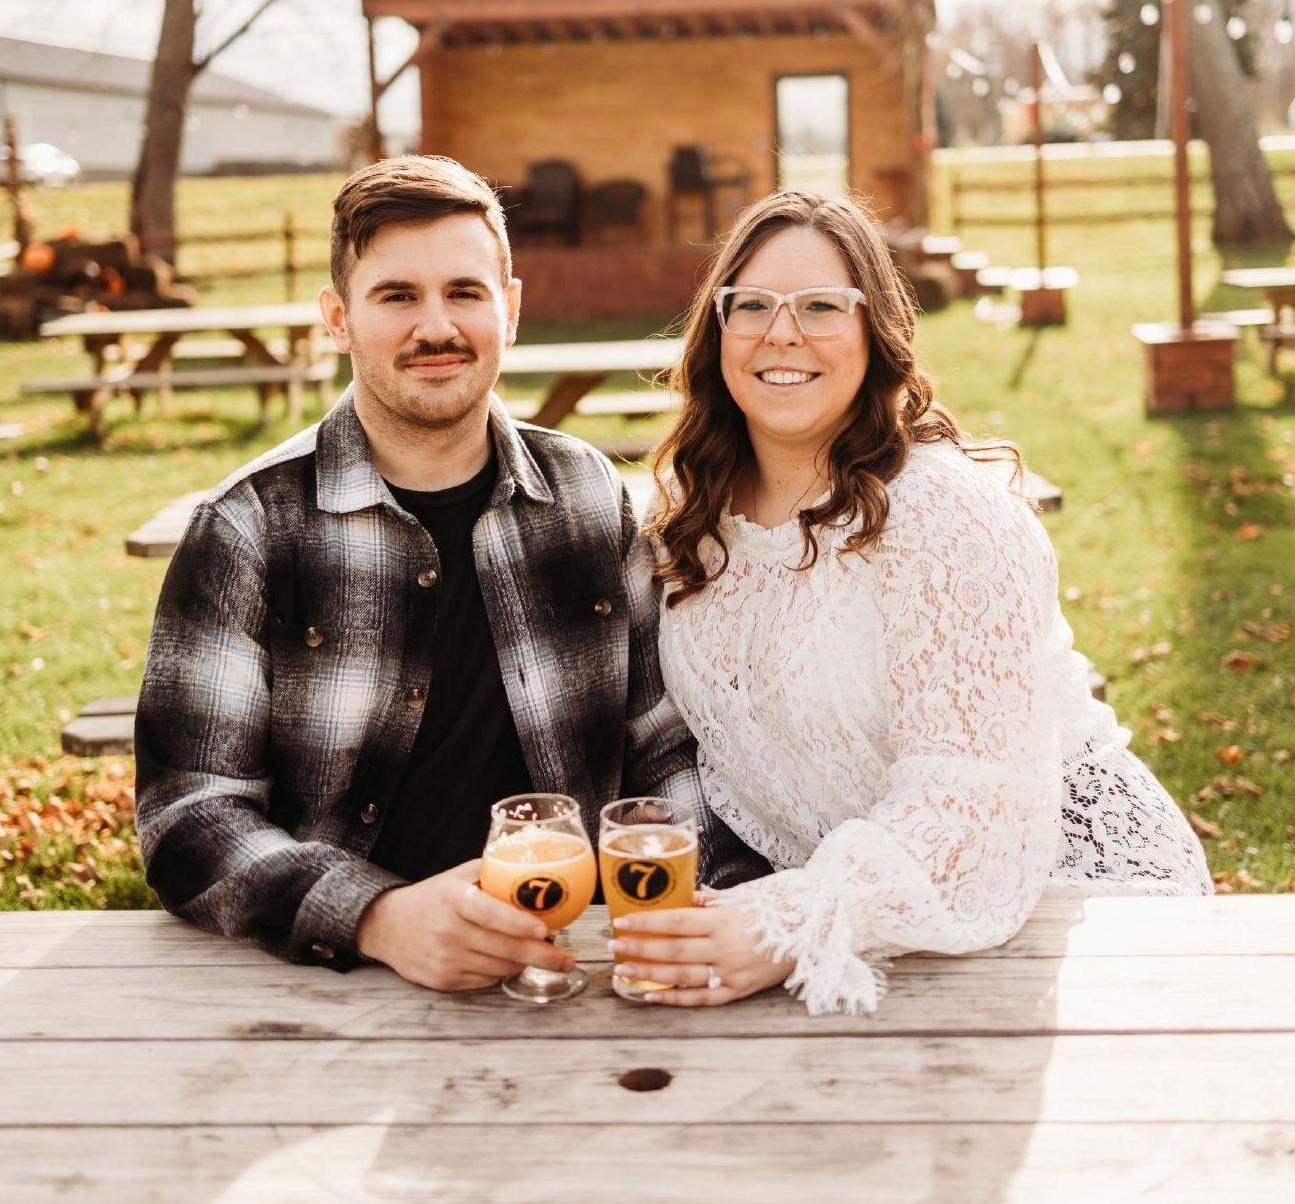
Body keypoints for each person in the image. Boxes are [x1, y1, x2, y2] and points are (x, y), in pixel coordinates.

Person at [134, 154, 765, 992]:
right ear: (338, 318)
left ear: (510, 308)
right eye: (398, 296)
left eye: (464, 292)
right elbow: (187, 816)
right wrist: (376, 916)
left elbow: (658, 746)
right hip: (336, 984)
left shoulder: (586, 494)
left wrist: (703, 906)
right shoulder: (251, 526)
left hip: (574, 967)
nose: (437, 326)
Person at [606, 189, 1212, 1016]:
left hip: (1060, 891)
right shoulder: (687, 517)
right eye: (752, 304)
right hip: (863, 912)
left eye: (822, 304)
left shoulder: (943, 513)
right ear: (718, 332)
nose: (783, 331)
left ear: (875, 333)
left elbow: (972, 795)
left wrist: (786, 922)